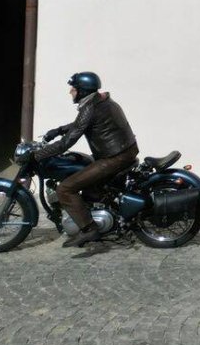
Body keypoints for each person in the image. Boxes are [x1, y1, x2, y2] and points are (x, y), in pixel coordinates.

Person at [31, 72, 139, 248]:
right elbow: (81, 123)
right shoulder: (100, 102)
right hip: (122, 151)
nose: (71, 92)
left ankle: (89, 229)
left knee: (65, 189)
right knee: (84, 172)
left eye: (73, 89)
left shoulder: (91, 107)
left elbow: (67, 142)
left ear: (82, 90)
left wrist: (36, 155)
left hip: (114, 157)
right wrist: (58, 130)